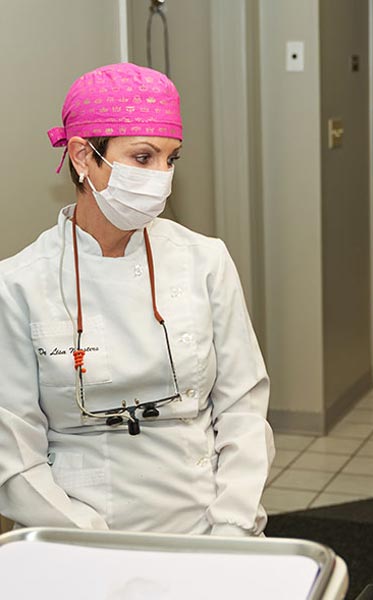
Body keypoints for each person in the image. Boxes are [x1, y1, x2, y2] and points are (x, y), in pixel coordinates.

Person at [0, 63, 275, 536]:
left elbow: (243, 409)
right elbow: (13, 451)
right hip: (80, 531)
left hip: (207, 517)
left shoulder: (205, 261)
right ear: (83, 157)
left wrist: (231, 527)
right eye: (143, 157)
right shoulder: (19, 285)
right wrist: (91, 542)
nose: (162, 176)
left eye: (172, 159)